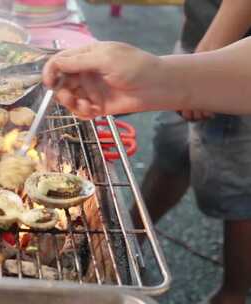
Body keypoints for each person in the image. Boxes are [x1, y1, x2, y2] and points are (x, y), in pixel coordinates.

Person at [43, 37, 251, 304]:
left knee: (237, 198)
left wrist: (172, 72)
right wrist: (158, 78)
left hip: (213, 48)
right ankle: (132, 244)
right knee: (172, 157)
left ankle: (233, 293)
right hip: (201, 44)